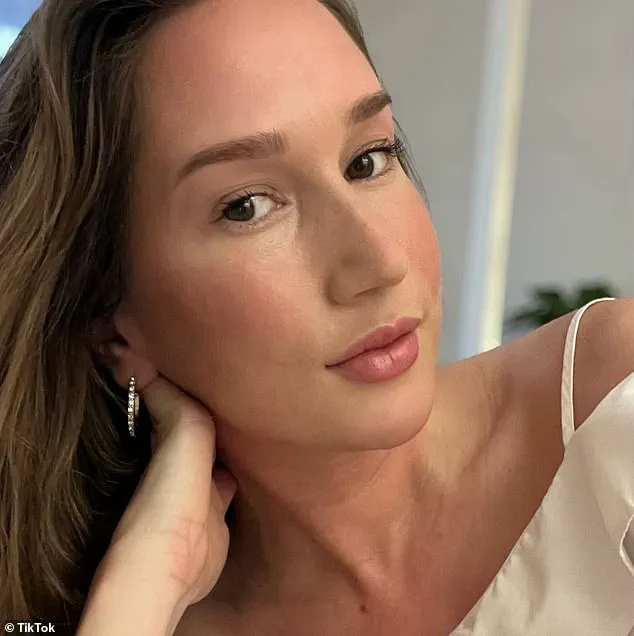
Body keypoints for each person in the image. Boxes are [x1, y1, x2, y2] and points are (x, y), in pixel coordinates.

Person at [0, 0, 633, 634]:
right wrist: (144, 581)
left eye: (368, 159)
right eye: (247, 205)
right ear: (115, 330)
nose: (380, 264)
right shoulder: (142, 613)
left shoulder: (612, 406)